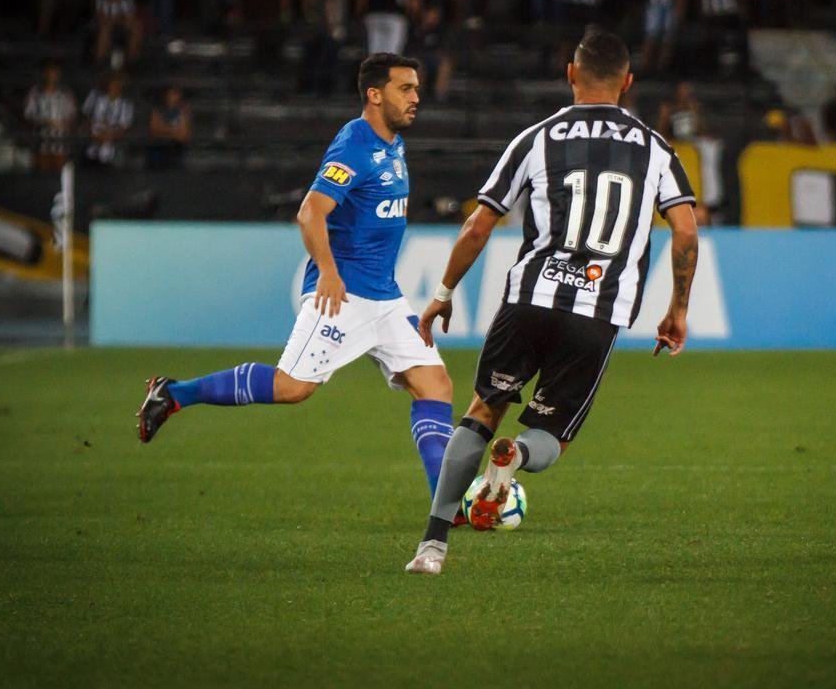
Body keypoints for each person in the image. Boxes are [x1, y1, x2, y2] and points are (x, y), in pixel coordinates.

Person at [405, 28, 699, 574]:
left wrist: (443, 293)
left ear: (570, 74)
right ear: (628, 83)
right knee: (552, 437)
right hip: (600, 311)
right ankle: (514, 458)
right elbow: (685, 231)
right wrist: (677, 308)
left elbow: (477, 226)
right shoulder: (657, 149)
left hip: (530, 298)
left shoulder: (536, 138)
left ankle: (432, 547)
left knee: (482, 410)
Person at [136, 54, 456, 502]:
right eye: (406, 89)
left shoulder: (392, 142)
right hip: (344, 295)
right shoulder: (355, 147)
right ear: (374, 94)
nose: (417, 98)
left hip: (385, 297)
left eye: (417, 89)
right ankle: (175, 393)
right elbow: (310, 213)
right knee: (292, 387)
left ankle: (448, 503)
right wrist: (327, 272)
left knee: (435, 383)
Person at [24, 60, 77, 172]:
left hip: (60, 141)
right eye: (49, 73)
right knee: (41, 172)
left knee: (59, 172)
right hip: (41, 140)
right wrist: (45, 122)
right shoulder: (36, 92)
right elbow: (28, 114)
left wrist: (64, 125)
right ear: (45, 74)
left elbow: (72, 114)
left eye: (55, 73)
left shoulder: (65, 93)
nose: (52, 76)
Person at [82, 72, 133, 168]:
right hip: (93, 136)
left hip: (112, 138)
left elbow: (124, 128)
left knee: (107, 155)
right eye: (112, 83)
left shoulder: (126, 104)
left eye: (117, 84)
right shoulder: (96, 98)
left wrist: (108, 137)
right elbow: (86, 119)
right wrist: (93, 135)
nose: (114, 87)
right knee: (90, 154)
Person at [93, 0, 142, 65]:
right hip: (106, 22)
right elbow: (100, 16)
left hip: (121, 22)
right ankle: (100, 58)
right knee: (105, 28)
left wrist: (119, 18)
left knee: (137, 27)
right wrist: (113, 18)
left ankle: (132, 57)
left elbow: (130, 16)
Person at [147, 85, 190, 168]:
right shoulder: (157, 109)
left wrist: (163, 129)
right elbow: (153, 131)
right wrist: (174, 132)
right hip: (158, 146)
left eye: (176, 94)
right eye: (170, 94)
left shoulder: (184, 110)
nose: (172, 97)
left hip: (177, 148)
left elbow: (184, 136)